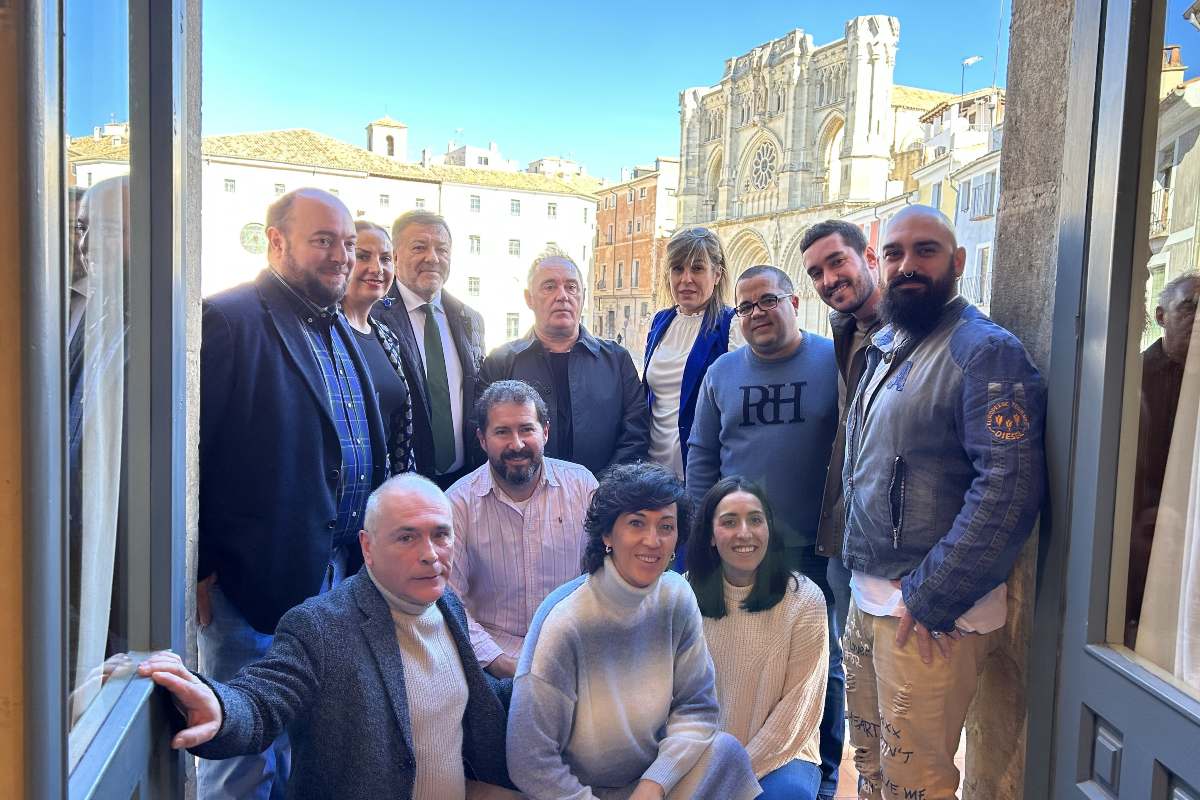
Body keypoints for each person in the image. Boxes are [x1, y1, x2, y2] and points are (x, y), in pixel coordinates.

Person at [139, 475, 518, 800]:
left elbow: (469, 691)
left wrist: (544, 675)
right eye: (407, 538)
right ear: (367, 548)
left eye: (441, 535)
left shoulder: (446, 604)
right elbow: (261, 702)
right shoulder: (321, 626)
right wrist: (221, 711)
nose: (431, 555)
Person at [841, 205, 1046, 800]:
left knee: (917, 784)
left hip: (932, 618)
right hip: (870, 600)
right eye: (896, 253)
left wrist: (934, 594)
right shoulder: (888, 345)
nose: (909, 265)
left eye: (925, 251)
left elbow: (1008, 488)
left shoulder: (985, 353)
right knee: (873, 768)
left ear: (956, 263)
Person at [197, 187, 388, 798]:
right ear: (276, 241)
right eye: (323, 241)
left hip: (336, 575)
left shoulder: (346, 332)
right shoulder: (228, 319)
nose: (342, 257)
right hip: (253, 586)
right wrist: (199, 566)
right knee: (244, 749)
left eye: (349, 245)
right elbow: (192, 454)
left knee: (309, 736)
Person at [507, 462, 760, 800]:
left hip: (650, 782)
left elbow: (697, 707)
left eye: (666, 526)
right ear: (607, 535)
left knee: (726, 751)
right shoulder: (566, 621)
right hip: (576, 791)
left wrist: (655, 783)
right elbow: (529, 760)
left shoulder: (676, 596)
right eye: (636, 523)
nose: (653, 540)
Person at [685, 264, 844, 798]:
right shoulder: (723, 373)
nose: (756, 313)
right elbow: (702, 454)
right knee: (733, 651)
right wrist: (700, 534)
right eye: (745, 306)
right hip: (737, 546)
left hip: (812, 544)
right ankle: (738, 749)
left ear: (794, 301)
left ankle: (821, 774)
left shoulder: (832, 360)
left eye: (767, 300)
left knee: (825, 666)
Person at [687, 477, 829, 800]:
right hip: (701, 751)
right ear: (710, 535)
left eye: (755, 519)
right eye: (729, 522)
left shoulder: (805, 600)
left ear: (769, 528)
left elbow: (797, 713)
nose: (744, 533)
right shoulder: (684, 595)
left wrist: (730, 776)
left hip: (783, 754)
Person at [447, 379, 598, 678]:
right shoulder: (457, 504)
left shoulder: (583, 488)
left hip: (577, 650)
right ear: (481, 439)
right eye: (502, 432)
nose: (516, 444)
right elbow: (450, 600)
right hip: (490, 660)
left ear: (545, 431)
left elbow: (607, 575)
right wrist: (501, 663)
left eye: (526, 429)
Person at [480, 250, 649, 476]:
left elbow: (635, 435)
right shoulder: (500, 363)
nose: (562, 296)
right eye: (549, 287)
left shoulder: (617, 360)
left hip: (602, 500)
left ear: (583, 295)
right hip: (522, 500)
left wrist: (599, 491)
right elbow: (483, 435)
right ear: (529, 298)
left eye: (571, 287)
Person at [801, 219, 884, 634]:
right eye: (816, 273)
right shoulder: (844, 333)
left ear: (869, 256)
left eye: (837, 262)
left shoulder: (913, 336)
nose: (829, 280)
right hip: (845, 545)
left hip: (894, 564)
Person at [373, 210, 485, 489]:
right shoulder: (372, 316)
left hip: (465, 480)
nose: (432, 258)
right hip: (400, 483)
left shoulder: (470, 319)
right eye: (419, 247)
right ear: (395, 256)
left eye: (442, 249)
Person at [1128, 270, 1199, 646]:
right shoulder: (1132, 378)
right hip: (1142, 533)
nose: (1199, 318)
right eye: (1190, 307)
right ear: (1160, 316)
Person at [643, 227, 736, 481]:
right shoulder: (660, 322)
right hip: (654, 472)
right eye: (677, 269)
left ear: (717, 274)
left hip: (701, 475)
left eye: (697, 269)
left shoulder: (731, 325)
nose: (686, 279)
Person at [342, 220, 415, 473]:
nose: (377, 268)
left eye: (385, 259)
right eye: (363, 256)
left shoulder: (387, 337)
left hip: (382, 490)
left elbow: (398, 433)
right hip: (338, 493)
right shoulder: (319, 334)